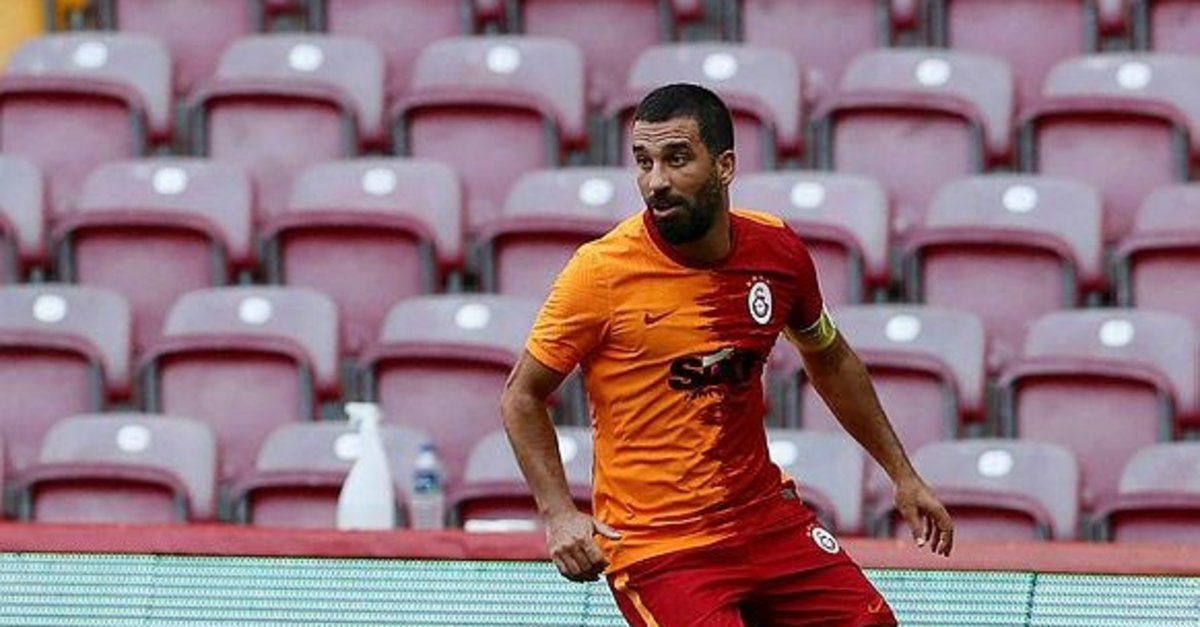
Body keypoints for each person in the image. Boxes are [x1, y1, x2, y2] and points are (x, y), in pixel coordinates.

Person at [500, 82, 953, 626]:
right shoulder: (600, 272)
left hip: (765, 520)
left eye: (677, 159)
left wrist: (903, 475)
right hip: (660, 547)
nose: (656, 181)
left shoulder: (777, 251)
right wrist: (558, 513)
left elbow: (830, 358)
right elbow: (521, 396)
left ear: (725, 166)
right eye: (643, 162)